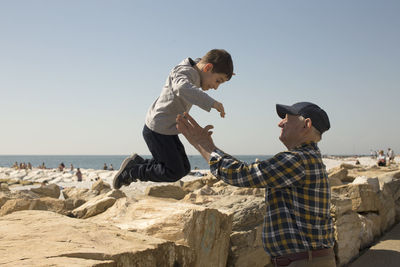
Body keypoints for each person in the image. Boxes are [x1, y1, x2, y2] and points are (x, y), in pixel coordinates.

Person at [176, 102, 335, 267]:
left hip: (304, 262)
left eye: (287, 118)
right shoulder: (307, 158)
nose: (280, 123)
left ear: (306, 125)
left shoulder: (298, 160)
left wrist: (203, 145)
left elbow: (241, 174)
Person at [113, 49, 234, 189]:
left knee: (183, 168)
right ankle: (132, 172)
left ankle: (137, 163)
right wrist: (211, 102)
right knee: (173, 171)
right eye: (218, 81)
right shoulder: (184, 72)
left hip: (167, 130)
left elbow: (205, 62)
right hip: (157, 129)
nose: (216, 87)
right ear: (208, 68)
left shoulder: (195, 69)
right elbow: (182, 87)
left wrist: (226, 70)